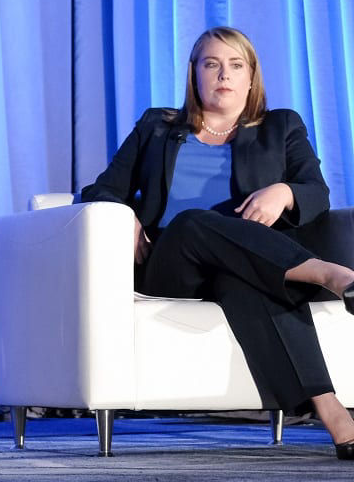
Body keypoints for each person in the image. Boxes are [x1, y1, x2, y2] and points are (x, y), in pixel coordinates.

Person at [80, 26, 354, 459]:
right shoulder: (156, 126)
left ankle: (333, 412)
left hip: (249, 263)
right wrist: (126, 214)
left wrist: (284, 192)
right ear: (194, 76)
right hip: (172, 263)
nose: (223, 74)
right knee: (193, 222)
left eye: (235, 65)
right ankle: (328, 274)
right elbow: (99, 191)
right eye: (211, 64)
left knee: (247, 285)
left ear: (251, 78)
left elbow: (315, 192)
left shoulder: (281, 126)